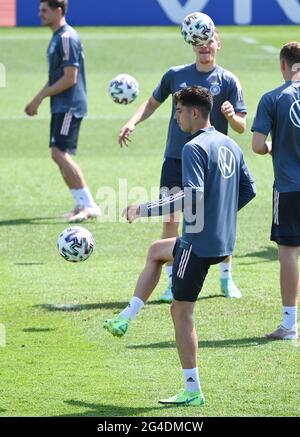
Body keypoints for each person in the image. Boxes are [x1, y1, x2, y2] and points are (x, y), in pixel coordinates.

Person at [105, 86, 256, 405]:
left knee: (181, 311)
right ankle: (126, 316)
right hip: (221, 241)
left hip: (198, 244)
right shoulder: (230, 144)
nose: (176, 118)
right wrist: (220, 216)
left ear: (195, 113)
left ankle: (192, 390)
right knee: (157, 251)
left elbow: (192, 195)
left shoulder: (193, 148)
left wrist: (143, 208)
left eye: (178, 112)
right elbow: (248, 189)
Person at [119, 28, 247, 302]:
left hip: (213, 164)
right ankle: (171, 281)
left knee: (220, 218)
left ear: (218, 45)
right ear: (192, 44)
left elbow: (241, 127)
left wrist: (231, 116)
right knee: (171, 219)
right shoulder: (175, 75)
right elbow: (152, 103)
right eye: (200, 42)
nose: (205, 46)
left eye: (209, 41)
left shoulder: (228, 80)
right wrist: (131, 122)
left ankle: (226, 278)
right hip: (176, 158)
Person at [24, 0, 100, 223]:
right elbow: (56, 76)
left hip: (70, 105)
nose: (40, 14)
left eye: (44, 10)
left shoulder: (67, 38)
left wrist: (40, 96)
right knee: (57, 155)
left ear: (58, 11)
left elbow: (69, 78)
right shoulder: (57, 37)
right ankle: (80, 204)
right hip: (61, 106)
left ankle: (89, 205)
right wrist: (37, 99)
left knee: (59, 153)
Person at [252, 41, 300, 340]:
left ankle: (289, 322)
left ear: (283, 65)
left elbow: (257, 145)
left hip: (289, 186)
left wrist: (273, 148)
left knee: (289, 253)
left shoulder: (272, 98)